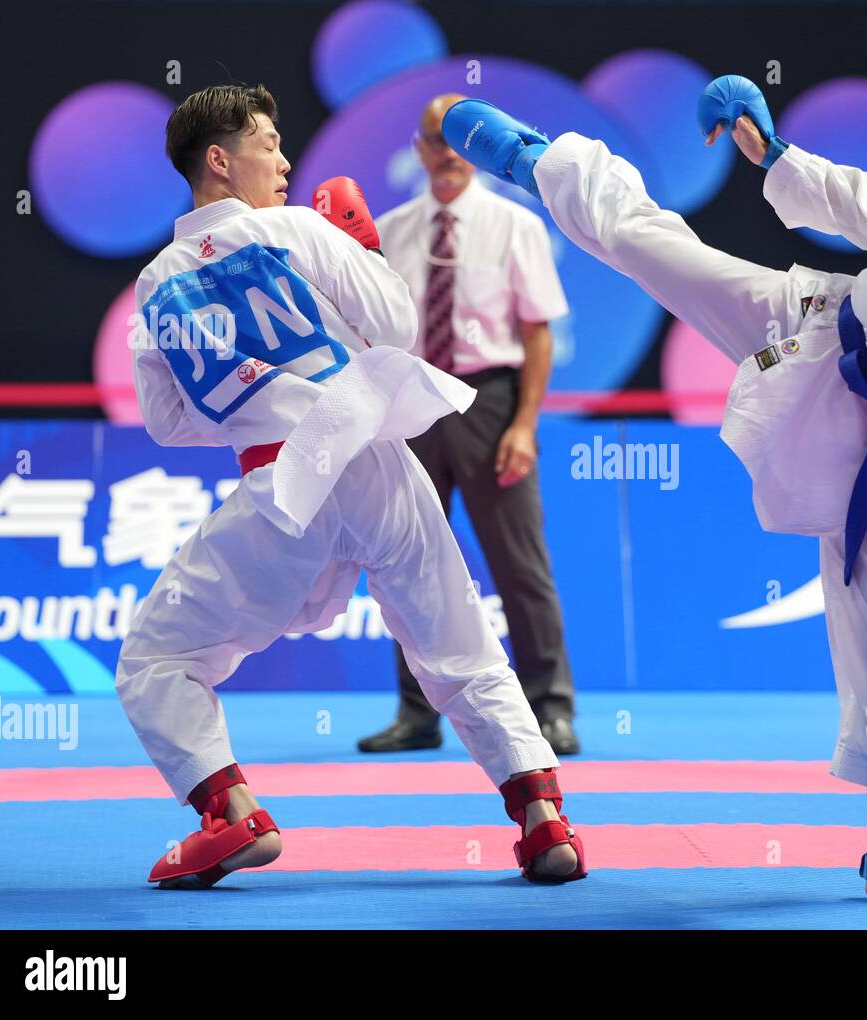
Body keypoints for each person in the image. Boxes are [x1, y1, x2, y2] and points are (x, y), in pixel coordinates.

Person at [440, 74, 867, 906]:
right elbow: (865, 205)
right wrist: (771, 153)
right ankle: (540, 159)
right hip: (813, 324)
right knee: (659, 250)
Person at [115, 83, 587, 888]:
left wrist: (251, 407)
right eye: (268, 141)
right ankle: (543, 820)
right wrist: (363, 250)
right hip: (372, 459)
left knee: (157, 660)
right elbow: (398, 328)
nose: (285, 158)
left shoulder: (155, 287)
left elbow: (167, 422)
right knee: (459, 646)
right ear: (220, 161)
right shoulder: (297, 228)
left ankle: (231, 814)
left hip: (279, 485)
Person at [358, 93, 580, 756]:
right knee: (407, 564)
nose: (449, 154)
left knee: (520, 564)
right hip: (411, 396)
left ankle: (552, 708)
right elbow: (373, 333)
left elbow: (537, 335)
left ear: (475, 150)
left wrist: (523, 425)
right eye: (435, 140)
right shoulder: (390, 230)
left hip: (489, 399)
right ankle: (416, 714)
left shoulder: (517, 225)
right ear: (420, 150)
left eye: (461, 141)